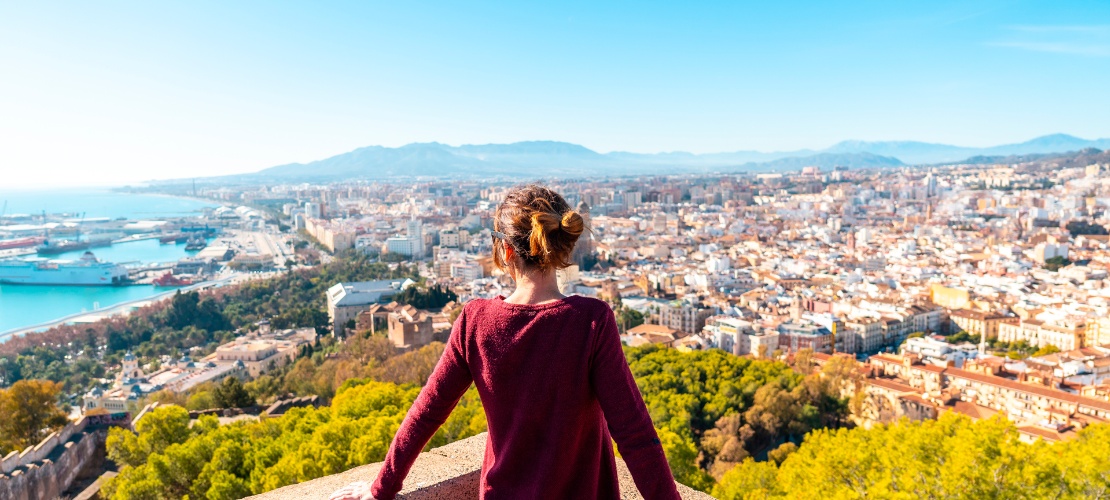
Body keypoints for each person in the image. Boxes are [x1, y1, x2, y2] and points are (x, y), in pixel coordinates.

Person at [330, 185, 680, 500]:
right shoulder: (591, 321)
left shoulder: (476, 320)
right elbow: (634, 434)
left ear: (506, 251)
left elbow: (428, 411)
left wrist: (382, 488)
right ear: (560, 246)